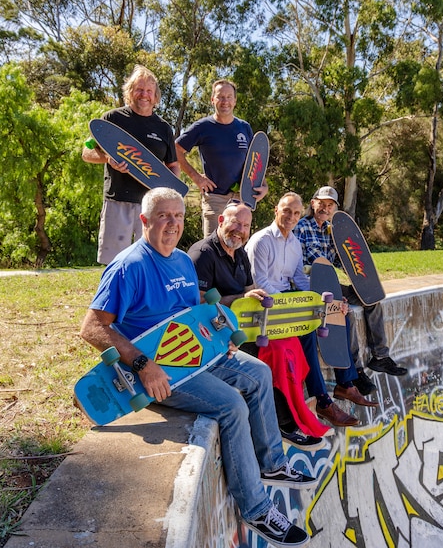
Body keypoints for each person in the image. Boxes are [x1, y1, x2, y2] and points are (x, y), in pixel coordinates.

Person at [79, 187, 313, 548]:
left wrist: (223, 337)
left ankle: (272, 463)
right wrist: (143, 365)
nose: (172, 224)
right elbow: (92, 327)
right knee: (231, 406)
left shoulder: (183, 262)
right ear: (144, 220)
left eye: (178, 216)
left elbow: (198, 310)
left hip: (198, 357)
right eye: (163, 216)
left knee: (259, 374)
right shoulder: (129, 266)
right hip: (159, 373)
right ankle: (256, 509)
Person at [188, 200, 327, 450]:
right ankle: (285, 424)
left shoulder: (240, 253)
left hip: (245, 327)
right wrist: (239, 300)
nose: (239, 230)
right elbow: (196, 304)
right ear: (220, 221)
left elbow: (251, 290)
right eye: (235, 223)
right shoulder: (203, 254)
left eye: (245, 225)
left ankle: (297, 415)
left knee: (290, 345)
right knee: (272, 355)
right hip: (214, 333)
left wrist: (258, 297)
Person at [244, 193, 377, 428]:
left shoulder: (293, 243)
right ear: (276, 209)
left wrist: (326, 298)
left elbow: (299, 279)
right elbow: (259, 281)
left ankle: (345, 384)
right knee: (307, 331)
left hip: (288, 300)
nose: (291, 217)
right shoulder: (261, 240)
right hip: (265, 304)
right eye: (287, 211)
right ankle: (323, 399)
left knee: (338, 315)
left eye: (296, 213)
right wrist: (293, 302)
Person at [293, 186, 408, 396]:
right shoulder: (301, 227)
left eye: (330, 205)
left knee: (370, 299)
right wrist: (332, 291)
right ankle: (356, 371)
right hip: (312, 287)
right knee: (347, 314)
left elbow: (342, 261)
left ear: (334, 208)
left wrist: (362, 277)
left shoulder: (331, 230)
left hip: (332, 285)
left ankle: (380, 357)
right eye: (321, 203)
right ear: (313, 203)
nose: (325, 208)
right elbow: (297, 266)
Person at [82, 65, 180, 265]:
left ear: (155, 96)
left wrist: (172, 194)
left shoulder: (163, 128)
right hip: (118, 201)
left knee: (152, 260)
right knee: (115, 262)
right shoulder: (113, 119)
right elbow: (87, 152)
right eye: (139, 89)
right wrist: (107, 159)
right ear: (130, 92)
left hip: (153, 206)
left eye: (149, 91)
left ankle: (147, 297)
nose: (144, 95)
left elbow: (173, 165)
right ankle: (114, 296)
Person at [176, 79, 269, 236]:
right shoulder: (202, 127)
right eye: (220, 97)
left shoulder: (244, 127)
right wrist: (197, 178)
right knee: (211, 248)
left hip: (241, 198)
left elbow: (255, 159)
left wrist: (263, 185)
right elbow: (176, 149)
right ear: (213, 99)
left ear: (235, 100)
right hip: (215, 198)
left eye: (229, 96)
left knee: (237, 245)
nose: (225, 101)